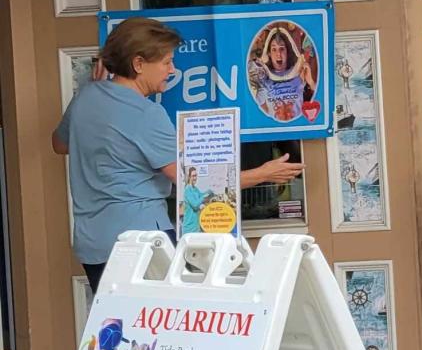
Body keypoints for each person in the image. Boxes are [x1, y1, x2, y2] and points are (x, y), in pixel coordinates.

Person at [53, 17, 305, 294]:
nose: (172, 71)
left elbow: (60, 143)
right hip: (142, 244)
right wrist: (264, 174)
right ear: (138, 64)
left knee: (121, 330)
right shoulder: (146, 114)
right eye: (166, 62)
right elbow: (193, 184)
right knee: (160, 332)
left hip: (93, 245)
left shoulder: (87, 96)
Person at [248, 26, 317, 122]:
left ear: (288, 51)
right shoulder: (262, 78)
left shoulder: (299, 73)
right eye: (274, 49)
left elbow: (320, 100)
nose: (278, 54)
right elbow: (260, 109)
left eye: (282, 49)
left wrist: (311, 82)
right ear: (268, 54)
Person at [180, 166, 214, 234]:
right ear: (189, 177)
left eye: (196, 176)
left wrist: (209, 192)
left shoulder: (195, 189)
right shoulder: (187, 190)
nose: (195, 178)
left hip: (196, 226)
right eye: (193, 176)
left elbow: (201, 196)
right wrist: (204, 196)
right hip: (189, 227)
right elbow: (195, 204)